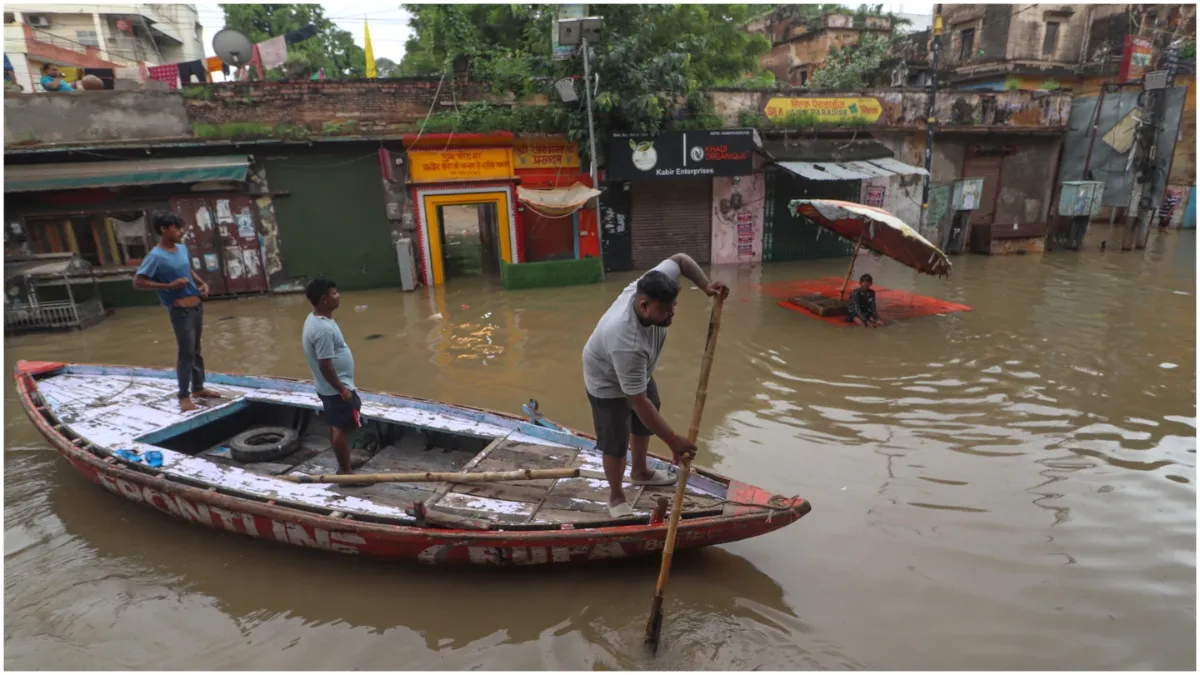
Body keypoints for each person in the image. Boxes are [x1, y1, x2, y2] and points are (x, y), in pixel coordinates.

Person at [582, 253, 729, 518]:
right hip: (605, 378)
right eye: (666, 309)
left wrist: (707, 286)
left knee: (651, 408)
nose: (672, 313)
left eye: (674, 305)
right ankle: (616, 497)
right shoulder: (627, 341)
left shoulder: (657, 284)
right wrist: (673, 440)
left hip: (637, 372)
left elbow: (682, 260)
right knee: (615, 439)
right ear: (644, 305)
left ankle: (640, 471)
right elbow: (637, 401)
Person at [133, 211, 219, 411]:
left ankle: (198, 387)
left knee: (196, 350)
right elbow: (138, 282)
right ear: (163, 229)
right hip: (180, 310)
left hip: (196, 306)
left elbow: (187, 270)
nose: (181, 231)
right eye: (176, 228)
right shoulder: (155, 256)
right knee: (186, 353)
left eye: (181, 227)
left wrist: (202, 283)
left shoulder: (181, 249)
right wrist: (170, 286)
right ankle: (184, 396)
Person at [302, 277, 362, 477]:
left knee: (335, 424)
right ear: (324, 300)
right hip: (335, 388)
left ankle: (344, 460)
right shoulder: (323, 329)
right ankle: (345, 472)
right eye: (334, 293)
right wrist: (342, 390)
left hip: (326, 387)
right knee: (343, 427)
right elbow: (325, 365)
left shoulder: (315, 319)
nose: (338, 296)